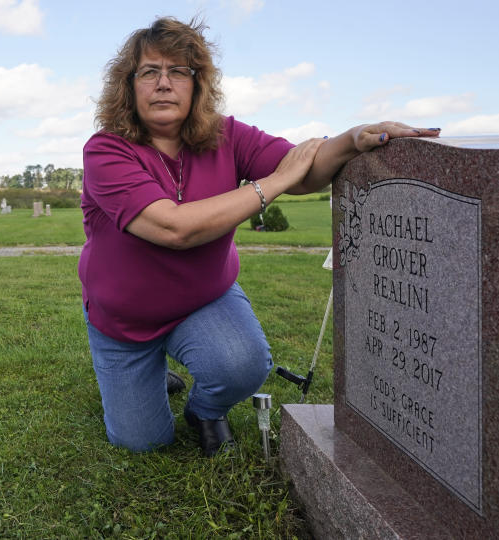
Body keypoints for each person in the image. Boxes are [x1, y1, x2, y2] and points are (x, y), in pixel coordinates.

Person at [79, 16, 439, 456]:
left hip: (202, 300)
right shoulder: (106, 149)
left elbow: (300, 166)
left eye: (178, 71)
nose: (163, 83)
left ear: (198, 84)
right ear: (129, 85)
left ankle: (206, 410)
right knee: (143, 442)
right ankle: (150, 374)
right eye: (149, 71)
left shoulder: (227, 135)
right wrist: (271, 184)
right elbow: (174, 227)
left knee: (243, 364)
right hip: (126, 321)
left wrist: (351, 139)